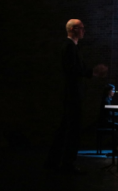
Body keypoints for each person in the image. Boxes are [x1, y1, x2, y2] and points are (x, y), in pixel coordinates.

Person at [45, 19, 108, 174]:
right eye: (81, 28)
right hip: (72, 95)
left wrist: (91, 72)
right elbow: (73, 70)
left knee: (65, 128)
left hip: (72, 94)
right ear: (73, 29)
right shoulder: (69, 47)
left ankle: (54, 161)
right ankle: (67, 163)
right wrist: (92, 72)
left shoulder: (72, 48)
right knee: (72, 130)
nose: (84, 31)